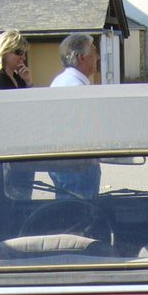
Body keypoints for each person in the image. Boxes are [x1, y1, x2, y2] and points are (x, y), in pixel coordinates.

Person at [48, 33, 101, 199]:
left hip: (65, 165)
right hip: (77, 166)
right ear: (81, 57)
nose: (98, 56)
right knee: (79, 217)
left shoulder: (61, 82)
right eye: (94, 51)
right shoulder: (76, 88)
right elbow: (84, 132)